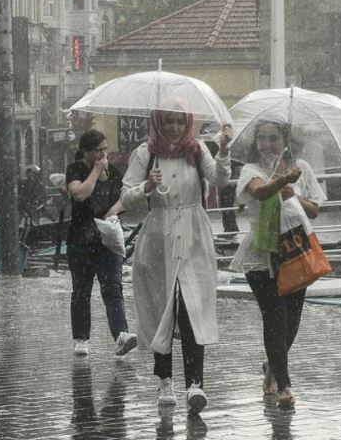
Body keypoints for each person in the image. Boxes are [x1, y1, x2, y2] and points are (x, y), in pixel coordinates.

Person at [120, 107, 232, 412]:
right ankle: (165, 379)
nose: (173, 126)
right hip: (160, 236)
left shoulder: (197, 151)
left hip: (194, 233)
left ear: (187, 123)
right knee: (161, 306)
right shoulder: (145, 153)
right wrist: (147, 186)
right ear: (158, 122)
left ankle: (196, 382)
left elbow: (220, 178)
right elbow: (126, 195)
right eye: (167, 120)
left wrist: (222, 150)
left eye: (179, 120)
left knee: (193, 306)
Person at [229, 120, 325, 409]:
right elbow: (258, 192)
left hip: (294, 250)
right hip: (261, 254)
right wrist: (282, 181)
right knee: (274, 317)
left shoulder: (302, 168)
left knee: (291, 321)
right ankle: (284, 385)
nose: (267, 144)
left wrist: (294, 192)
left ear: (285, 139)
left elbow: (316, 209)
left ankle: (272, 365)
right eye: (262, 139)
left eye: (273, 138)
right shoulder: (251, 170)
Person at [66, 130, 137, 358]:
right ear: (87, 151)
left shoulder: (114, 172)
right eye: (98, 150)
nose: (103, 154)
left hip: (108, 240)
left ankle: (121, 335)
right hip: (81, 239)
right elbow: (80, 194)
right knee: (82, 290)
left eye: (105, 149)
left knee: (113, 288)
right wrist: (95, 172)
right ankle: (81, 338)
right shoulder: (76, 169)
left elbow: (123, 200)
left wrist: (112, 212)